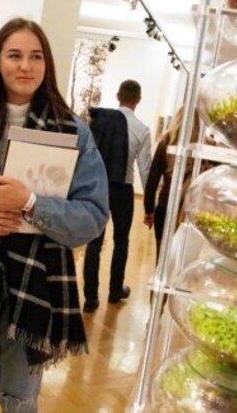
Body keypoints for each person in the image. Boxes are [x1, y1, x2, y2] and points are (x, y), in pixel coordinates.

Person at [0, 17, 108, 412]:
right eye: (14, 55)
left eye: (35, 57)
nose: (25, 66)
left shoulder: (72, 131)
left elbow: (93, 218)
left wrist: (31, 203)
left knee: (20, 400)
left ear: (47, 65)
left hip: (36, 287)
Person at [82, 79, 152, 312]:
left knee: (94, 241)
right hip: (123, 189)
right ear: (138, 100)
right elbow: (145, 169)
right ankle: (115, 291)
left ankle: (90, 298)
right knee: (121, 241)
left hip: (98, 187)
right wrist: (149, 206)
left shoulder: (99, 121)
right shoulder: (142, 129)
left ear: (117, 96)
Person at [143, 106, 211, 261]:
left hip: (165, 207)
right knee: (184, 260)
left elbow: (152, 181)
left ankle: (160, 285)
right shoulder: (205, 147)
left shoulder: (166, 143)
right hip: (190, 211)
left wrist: (149, 210)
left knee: (161, 260)